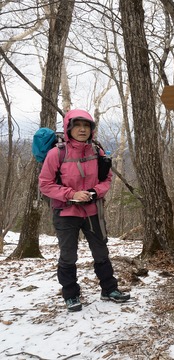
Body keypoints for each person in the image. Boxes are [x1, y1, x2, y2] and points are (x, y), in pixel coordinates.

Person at [39, 109, 130, 312]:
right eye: (78, 126)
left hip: (92, 211)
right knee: (68, 256)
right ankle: (71, 295)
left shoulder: (96, 152)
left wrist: (94, 192)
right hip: (65, 212)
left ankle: (109, 289)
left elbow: (106, 179)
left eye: (86, 126)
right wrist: (71, 194)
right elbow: (45, 184)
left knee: (101, 251)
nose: (82, 130)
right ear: (69, 128)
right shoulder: (57, 153)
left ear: (92, 129)